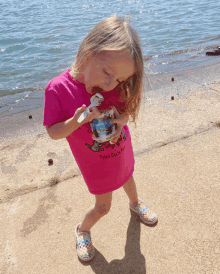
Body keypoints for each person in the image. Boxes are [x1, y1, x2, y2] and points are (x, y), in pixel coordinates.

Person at [43, 15, 158, 262]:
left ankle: (135, 204)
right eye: (107, 72)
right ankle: (82, 230)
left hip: (121, 150)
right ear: (87, 53)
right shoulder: (58, 89)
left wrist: (122, 120)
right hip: (96, 165)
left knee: (129, 178)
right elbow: (53, 132)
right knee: (103, 207)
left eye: (118, 80)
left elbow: (126, 111)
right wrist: (77, 122)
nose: (110, 84)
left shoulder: (114, 86)